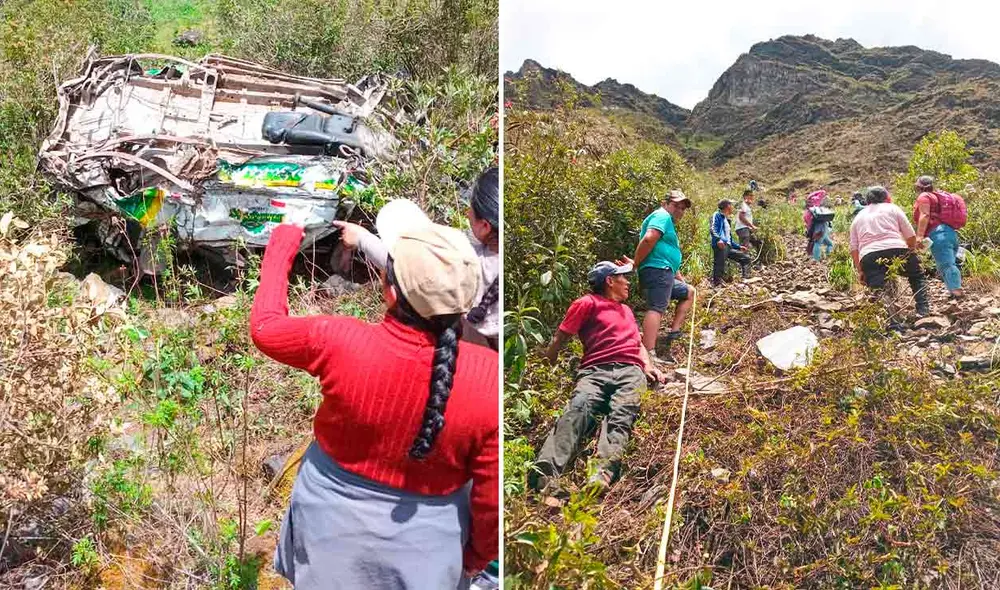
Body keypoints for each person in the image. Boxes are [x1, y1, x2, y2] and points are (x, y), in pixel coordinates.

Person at [251, 207, 499, 588]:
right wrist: (474, 560)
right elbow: (490, 502)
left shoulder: (340, 342)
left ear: (390, 290)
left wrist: (286, 237)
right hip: (426, 553)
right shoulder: (487, 378)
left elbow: (266, 327)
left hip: (325, 533)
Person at [529, 258, 666, 495]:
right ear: (609, 281)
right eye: (623, 278)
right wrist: (547, 358)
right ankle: (545, 473)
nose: (627, 283)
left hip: (630, 370)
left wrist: (648, 365)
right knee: (577, 410)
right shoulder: (587, 303)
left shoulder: (627, 310)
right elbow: (563, 335)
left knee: (622, 414)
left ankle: (601, 472)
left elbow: (638, 343)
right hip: (595, 370)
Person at [334, 167, 500, 348]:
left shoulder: (472, 264)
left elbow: (408, 268)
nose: (467, 213)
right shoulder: (490, 256)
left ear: (485, 225)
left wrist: (361, 239)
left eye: (472, 210)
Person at [849, 186, 930, 325]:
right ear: (885, 197)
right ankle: (923, 309)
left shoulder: (858, 217)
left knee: (879, 289)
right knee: (916, 275)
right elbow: (910, 235)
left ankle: (892, 323)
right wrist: (911, 251)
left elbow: (854, 248)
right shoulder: (893, 208)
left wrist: (861, 270)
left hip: (869, 255)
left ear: (867, 200)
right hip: (897, 248)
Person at [633, 189, 692, 361]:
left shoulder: (667, 222)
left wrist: (679, 278)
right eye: (676, 206)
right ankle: (649, 352)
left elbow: (665, 253)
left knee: (689, 291)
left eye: (682, 208)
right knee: (656, 308)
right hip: (658, 271)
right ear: (664, 203)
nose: (679, 211)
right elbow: (649, 239)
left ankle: (674, 333)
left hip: (664, 271)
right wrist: (635, 263)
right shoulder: (662, 216)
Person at [913, 175, 964, 299]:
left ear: (919, 186)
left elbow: (924, 214)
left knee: (946, 264)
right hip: (950, 233)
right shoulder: (938, 197)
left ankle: (957, 292)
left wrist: (919, 236)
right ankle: (953, 292)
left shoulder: (924, 197)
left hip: (938, 234)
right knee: (948, 264)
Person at [710, 199, 751, 286]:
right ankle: (717, 284)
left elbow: (729, 239)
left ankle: (746, 279)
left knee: (746, 258)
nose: (732, 207)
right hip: (721, 244)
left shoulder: (726, 220)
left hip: (728, 246)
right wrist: (718, 240)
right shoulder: (717, 215)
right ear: (728, 206)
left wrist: (739, 247)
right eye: (731, 205)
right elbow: (713, 228)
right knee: (719, 263)